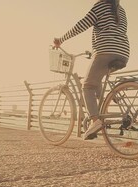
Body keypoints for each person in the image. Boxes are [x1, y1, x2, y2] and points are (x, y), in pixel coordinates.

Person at [54, 0, 130, 140]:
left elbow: (81, 25)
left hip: (105, 51)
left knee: (87, 86)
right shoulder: (121, 10)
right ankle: (104, 110)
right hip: (123, 52)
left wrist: (61, 39)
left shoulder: (100, 6)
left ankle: (95, 121)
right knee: (97, 80)